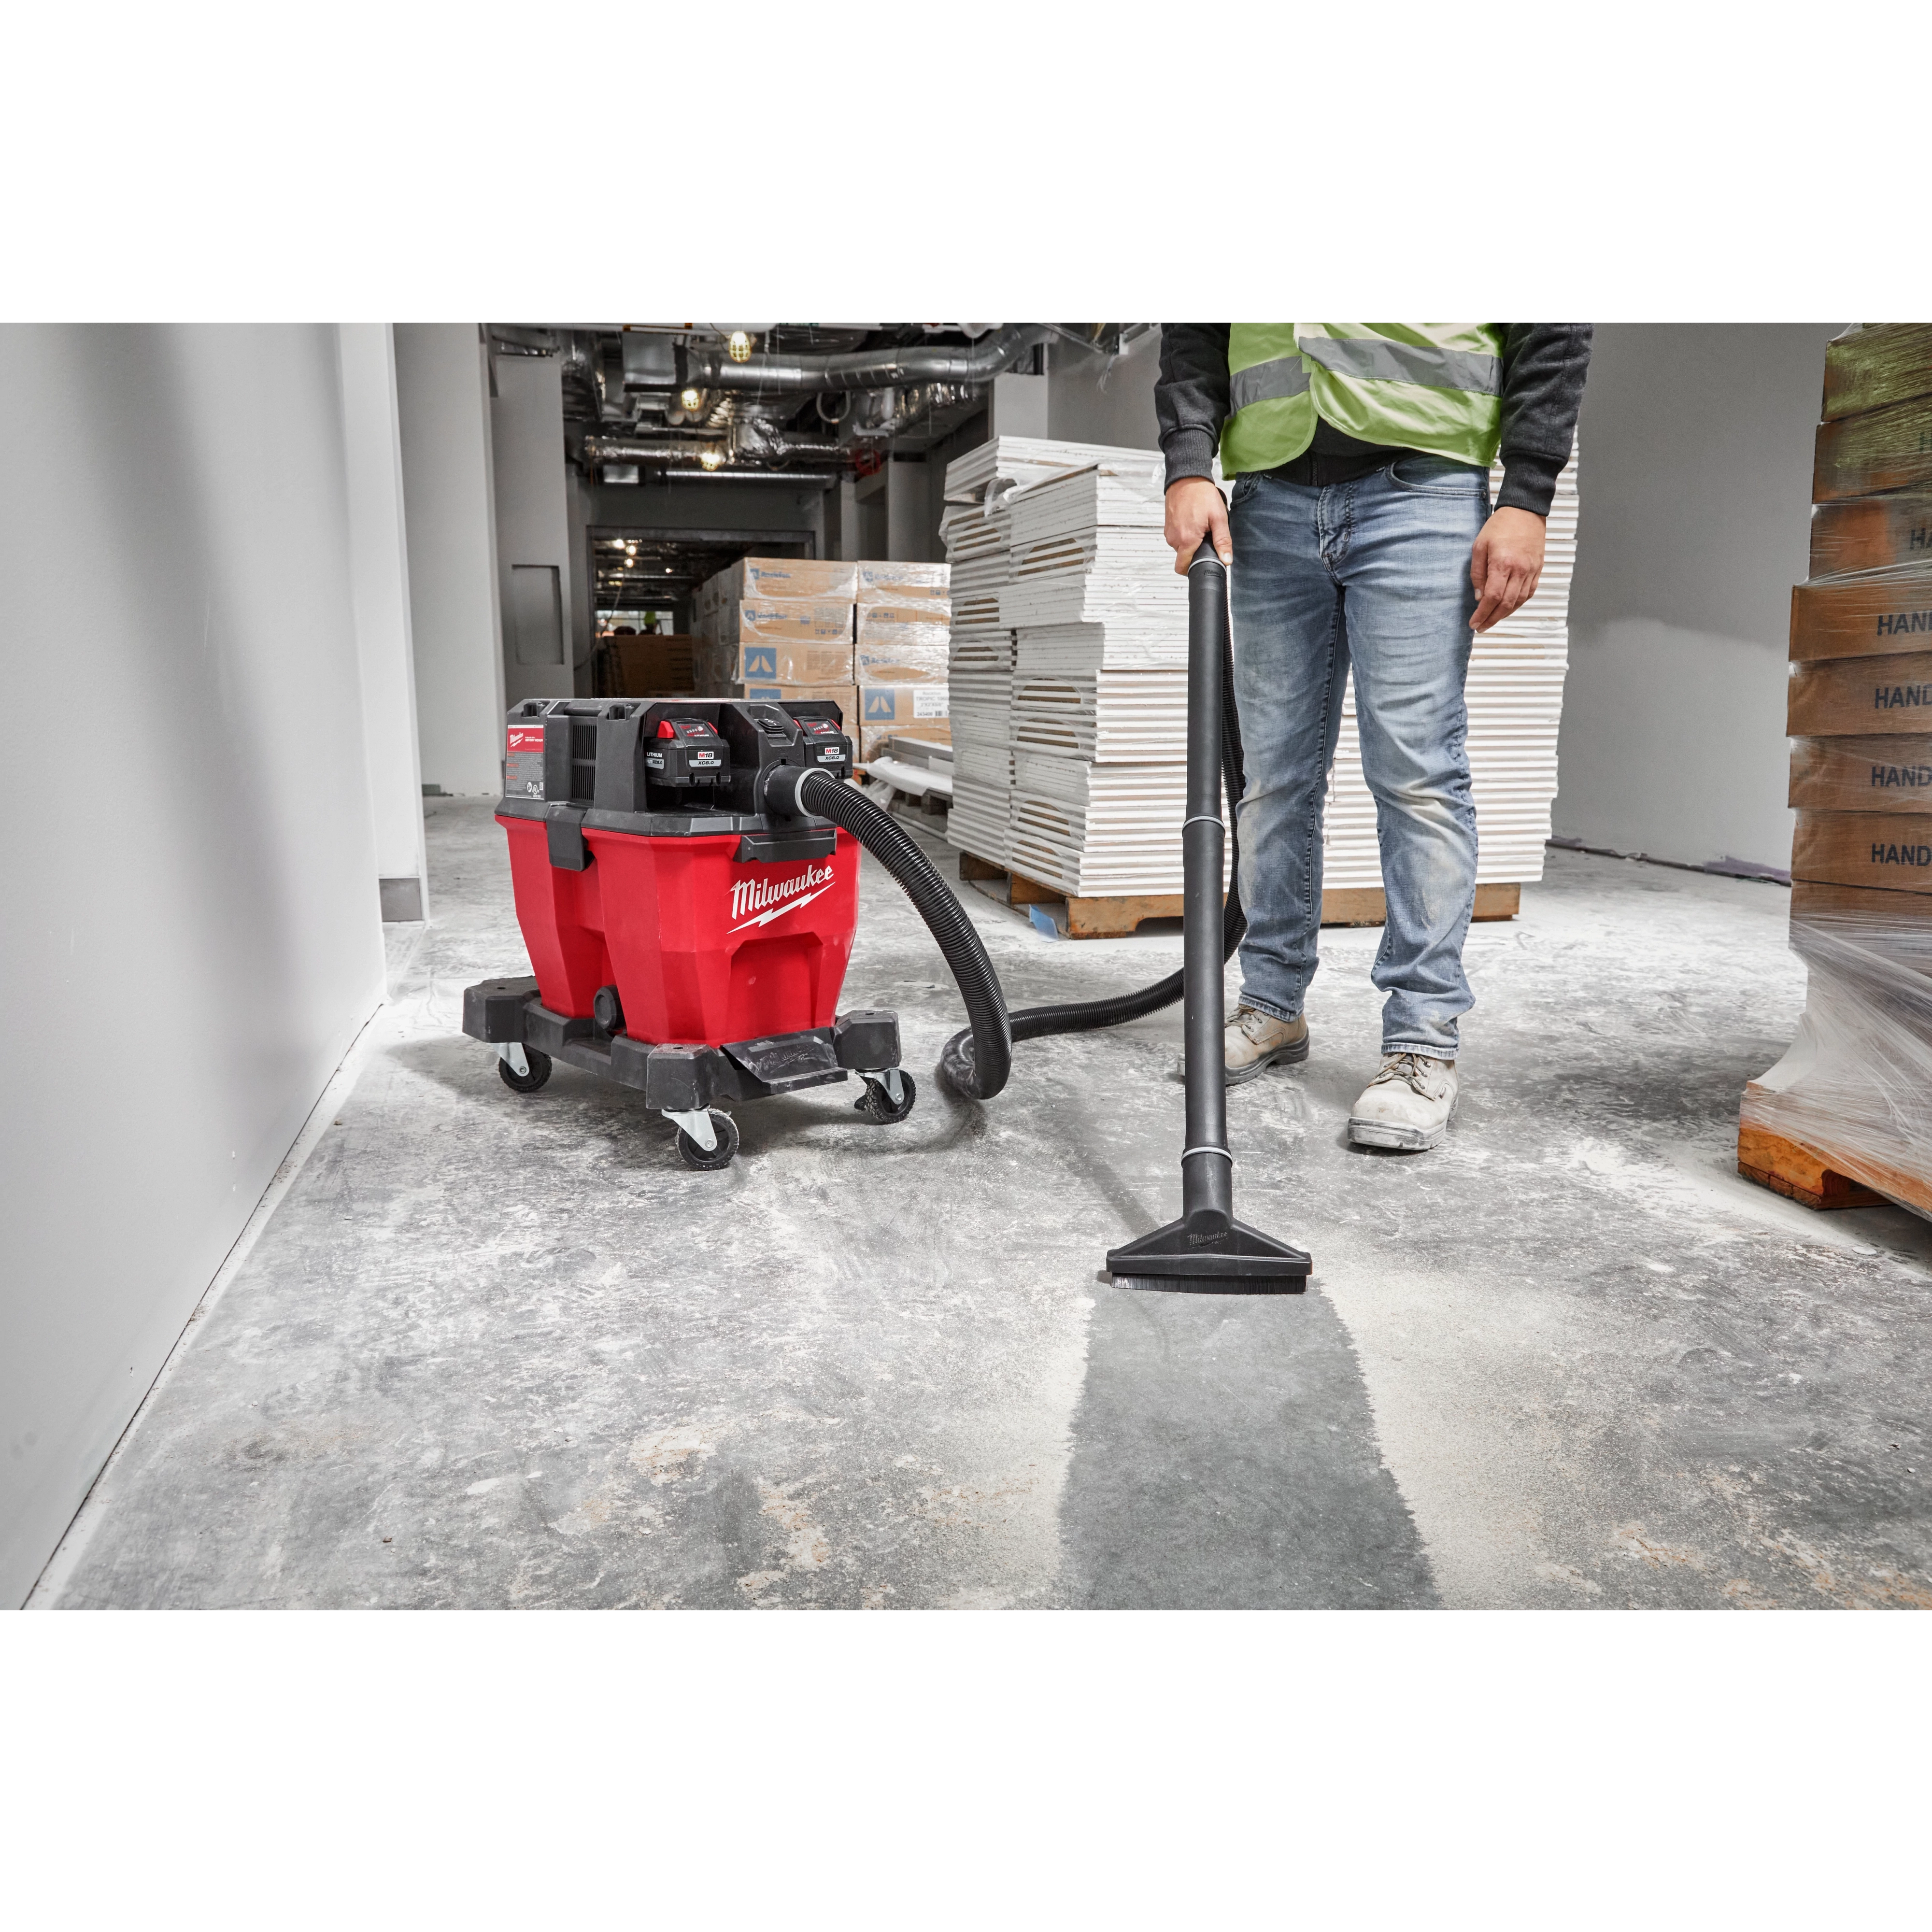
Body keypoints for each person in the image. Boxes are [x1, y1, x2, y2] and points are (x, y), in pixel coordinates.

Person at [1157, 322, 1592, 1150]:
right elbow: (1193, 330)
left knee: (1417, 774)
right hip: (1270, 491)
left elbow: (1554, 329)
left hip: (1423, 488)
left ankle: (1422, 1042)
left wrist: (1527, 494)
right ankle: (1272, 1006)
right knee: (1274, 780)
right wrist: (1188, 460)